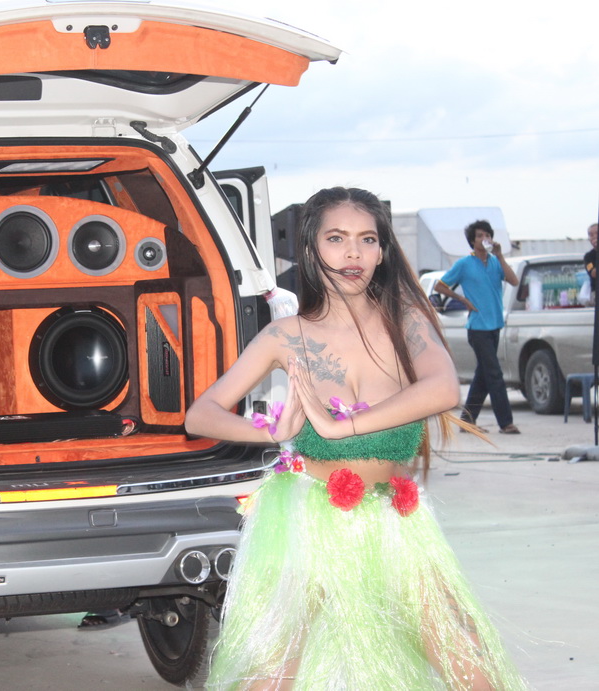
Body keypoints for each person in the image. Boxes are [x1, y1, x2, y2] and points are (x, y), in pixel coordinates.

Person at [186, 187, 527, 689]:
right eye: (336, 238)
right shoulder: (286, 335)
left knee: (465, 659)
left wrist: (340, 425)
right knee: (274, 672)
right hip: (305, 519)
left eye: (367, 239)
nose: (353, 253)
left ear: (382, 251)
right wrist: (271, 431)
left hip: (393, 517)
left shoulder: (406, 322)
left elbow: (443, 389)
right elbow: (200, 415)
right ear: (311, 249)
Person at [434, 220, 520, 434]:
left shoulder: (495, 262)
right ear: (472, 241)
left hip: (495, 324)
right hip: (478, 327)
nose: (484, 239)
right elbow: (440, 286)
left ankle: (467, 420)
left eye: (487, 235)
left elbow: (514, 281)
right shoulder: (464, 264)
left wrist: (500, 256)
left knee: (483, 375)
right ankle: (506, 422)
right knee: (494, 374)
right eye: (480, 236)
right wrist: (463, 300)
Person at [584, 222, 597, 293]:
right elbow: (593, 273)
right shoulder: (588, 257)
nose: (595, 237)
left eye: (597, 233)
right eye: (591, 235)